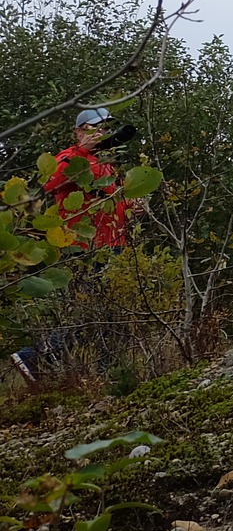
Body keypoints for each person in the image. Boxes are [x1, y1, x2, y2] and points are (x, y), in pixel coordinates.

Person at [10, 107, 138, 383]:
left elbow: (111, 202)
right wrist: (81, 152)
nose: (100, 133)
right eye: (93, 128)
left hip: (115, 244)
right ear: (78, 131)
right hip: (84, 248)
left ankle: (105, 375)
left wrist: (131, 206)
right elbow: (48, 188)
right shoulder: (68, 159)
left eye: (104, 128)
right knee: (87, 312)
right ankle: (32, 356)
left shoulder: (107, 164)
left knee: (111, 315)